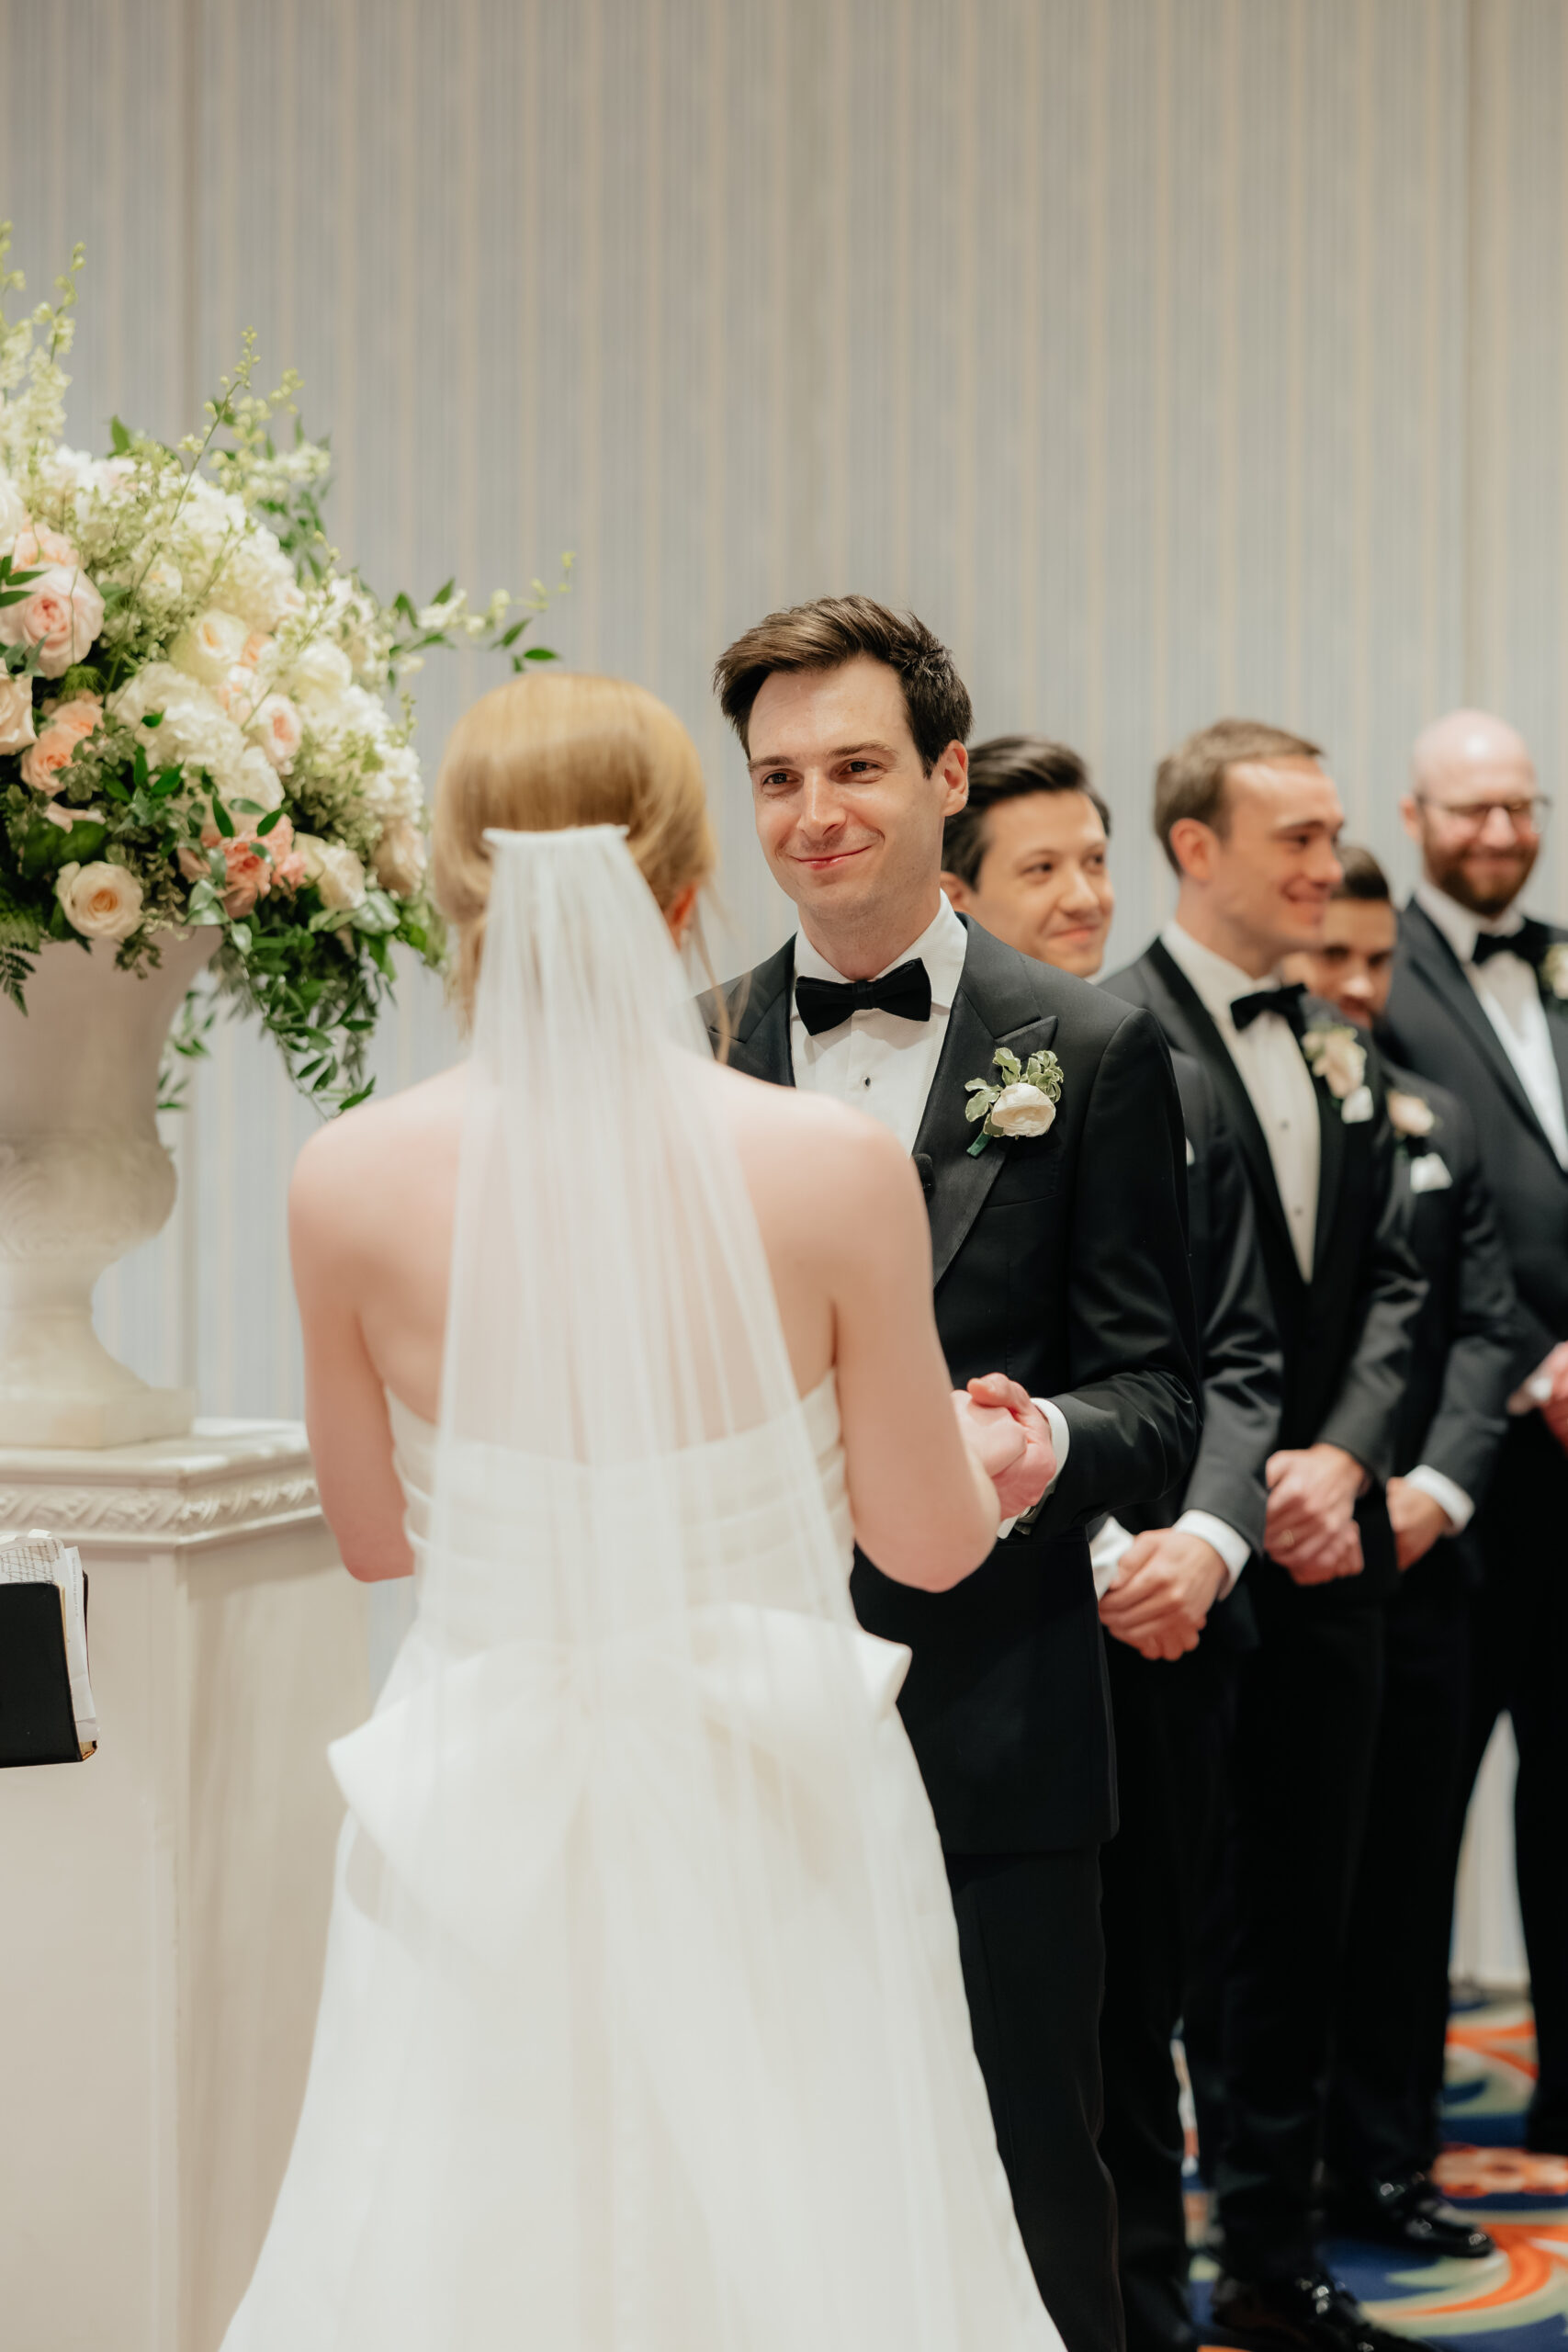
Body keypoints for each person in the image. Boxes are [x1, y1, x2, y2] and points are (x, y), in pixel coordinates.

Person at [220, 673, 1064, 2351]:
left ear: (457, 888)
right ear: (687, 885)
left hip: (478, 1811)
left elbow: (376, 1540)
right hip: (778, 1796)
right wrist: (990, 1459)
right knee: (814, 2240)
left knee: (474, 2240)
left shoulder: (348, 1181)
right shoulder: (827, 1167)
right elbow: (925, 1547)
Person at [706, 599, 1202, 2352]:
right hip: (741, 1718)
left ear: (946, 778)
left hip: (998, 1720)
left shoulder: (1092, 1046)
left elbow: (1161, 1391)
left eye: (855, 766)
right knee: (768, 2172)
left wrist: (1040, 1440)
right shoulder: (689, 1048)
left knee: (1024, 2172)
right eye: (777, 777)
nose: (814, 812)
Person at [944, 733, 1282, 2352]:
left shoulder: (1169, 1072)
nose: (1086, 894)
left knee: (1138, 2018)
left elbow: (1229, 1350)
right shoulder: (908, 1087)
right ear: (962, 894)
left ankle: (1149, 2317)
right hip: (1000, 1619)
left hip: (1168, 1618)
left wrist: (1205, 1543)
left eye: (1097, 860)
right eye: (1044, 868)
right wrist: (1082, 1553)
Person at [1103, 719, 1427, 2352]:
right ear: (1196, 848)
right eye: (1295, 837)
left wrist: (1346, 1455)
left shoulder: (1339, 1043)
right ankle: (1140, 2276)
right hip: (1181, 1567)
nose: (1328, 866)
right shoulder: (1106, 1037)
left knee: (1308, 1918)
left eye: (1331, 834)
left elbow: (1398, 1285)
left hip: (1330, 1556)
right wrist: (1231, 1499)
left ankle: (1276, 2257)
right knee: (1174, 1945)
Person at [1280, 843, 1518, 2260]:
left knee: (1407, 1881)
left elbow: (1486, 1327)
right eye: (1335, 957)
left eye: (1378, 960)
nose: (1361, 987)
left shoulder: (1441, 1118)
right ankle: (1265, 2169)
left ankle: (1389, 2163)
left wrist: (1433, 1489)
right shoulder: (1222, 1099)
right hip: (1272, 1557)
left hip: (1420, 1559)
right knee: (1272, 1892)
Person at [1379, 709, 1568, 2158]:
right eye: (1470, 810)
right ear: (1415, 817)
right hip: (1452, 1458)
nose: (1500, 833)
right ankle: (1387, 2121)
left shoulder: (1563, 962)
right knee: (1414, 1798)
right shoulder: (1376, 977)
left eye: (1521, 806)